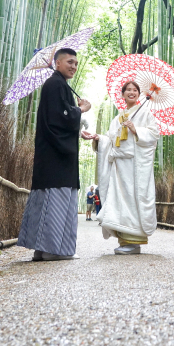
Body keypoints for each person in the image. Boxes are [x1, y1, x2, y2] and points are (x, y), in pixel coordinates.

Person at [17, 48, 91, 261]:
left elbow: (57, 118)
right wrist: (81, 110)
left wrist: (77, 123)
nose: (74, 67)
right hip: (57, 157)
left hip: (50, 155)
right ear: (57, 63)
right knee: (57, 199)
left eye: (76, 63)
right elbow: (61, 117)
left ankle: (42, 249)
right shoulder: (56, 84)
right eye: (70, 62)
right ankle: (54, 250)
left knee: (47, 199)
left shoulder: (57, 85)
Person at [82, 80, 159, 255]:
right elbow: (110, 139)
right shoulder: (118, 117)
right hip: (119, 167)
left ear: (139, 94)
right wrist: (97, 138)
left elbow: (154, 135)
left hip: (134, 166)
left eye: (135, 90)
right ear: (123, 94)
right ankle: (124, 239)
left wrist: (136, 129)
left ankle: (134, 241)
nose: (131, 92)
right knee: (118, 201)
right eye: (128, 90)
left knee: (132, 199)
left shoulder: (146, 113)